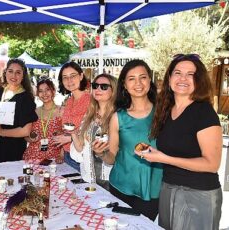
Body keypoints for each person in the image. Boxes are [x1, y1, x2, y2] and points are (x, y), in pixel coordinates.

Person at [138, 54, 222, 229]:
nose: (183, 78)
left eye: (190, 74)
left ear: (199, 80)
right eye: (177, 73)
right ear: (169, 78)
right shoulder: (166, 110)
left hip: (198, 195)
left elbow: (212, 164)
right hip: (168, 189)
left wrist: (164, 159)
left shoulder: (203, 112)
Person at [93, 60, 162, 220]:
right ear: (124, 84)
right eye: (131, 78)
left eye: (142, 77)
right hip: (121, 187)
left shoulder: (163, 113)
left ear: (149, 81)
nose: (138, 83)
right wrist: (101, 153)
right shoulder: (118, 117)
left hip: (154, 189)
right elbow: (111, 158)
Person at [0, 59, 38, 163]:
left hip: (13, 150)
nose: (14, 76)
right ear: (5, 72)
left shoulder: (26, 98)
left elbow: (25, 131)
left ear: (23, 75)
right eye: (10, 71)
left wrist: (1, 131)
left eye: (18, 72)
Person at [70, 74, 117, 190]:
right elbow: (80, 148)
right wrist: (72, 133)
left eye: (104, 86)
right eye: (95, 86)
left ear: (114, 90)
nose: (98, 89)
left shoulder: (118, 116)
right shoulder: (89, 115)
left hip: (110, 179)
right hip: (89, 177)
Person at [53, 61, 90, 171]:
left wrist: (69, 138)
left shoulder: (91, 101)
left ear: (81, 76)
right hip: (67, 156)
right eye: (65, 77)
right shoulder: (69, 101)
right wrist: (61, 151)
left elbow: (94, 131)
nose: (69, 81)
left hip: (81, 158)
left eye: (73, 76)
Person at [23, 77, 64, 163]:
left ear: (53, 91)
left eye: (47, 90)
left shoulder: (62, 111)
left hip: (54, 158)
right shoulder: (34, 111)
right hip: (32, 156)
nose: (44, 94)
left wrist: (61, 155)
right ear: (37, 94)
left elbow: (67, 135)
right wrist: (31, 139)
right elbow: (26, 136)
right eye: (40, 91)